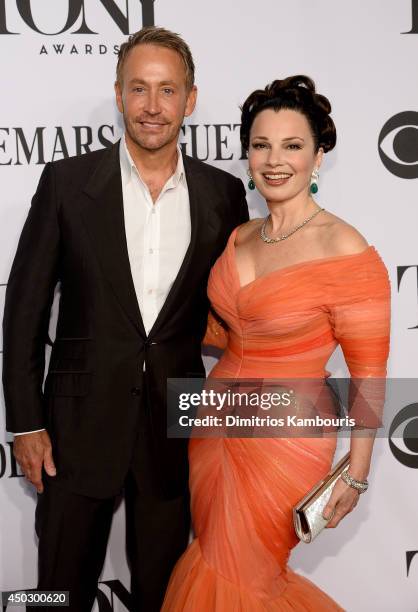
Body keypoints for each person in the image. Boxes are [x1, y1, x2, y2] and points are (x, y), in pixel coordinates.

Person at [2, 26, 248, 611]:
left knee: (164, 596)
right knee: (59, 591)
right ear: (118, 95)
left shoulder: (224, 195)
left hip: (175, 431)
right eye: (139, 89)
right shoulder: (66, 184)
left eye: (168, 91)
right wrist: (26, 423)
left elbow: (239, 312)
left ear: (190, 100)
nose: (152, 106)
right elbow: (24, 313)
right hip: (73, 432)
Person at [162, 76, 390, 610]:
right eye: (261, 145)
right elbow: (223, 327)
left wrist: (355, 477)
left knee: (243, 573)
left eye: (293, 145)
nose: (274, 160)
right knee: (215, 560)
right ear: (247, 153)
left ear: (319, 155)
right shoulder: (240, 235)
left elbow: (370, 377)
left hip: (286, 437)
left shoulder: (344, 248)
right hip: (215, 422)